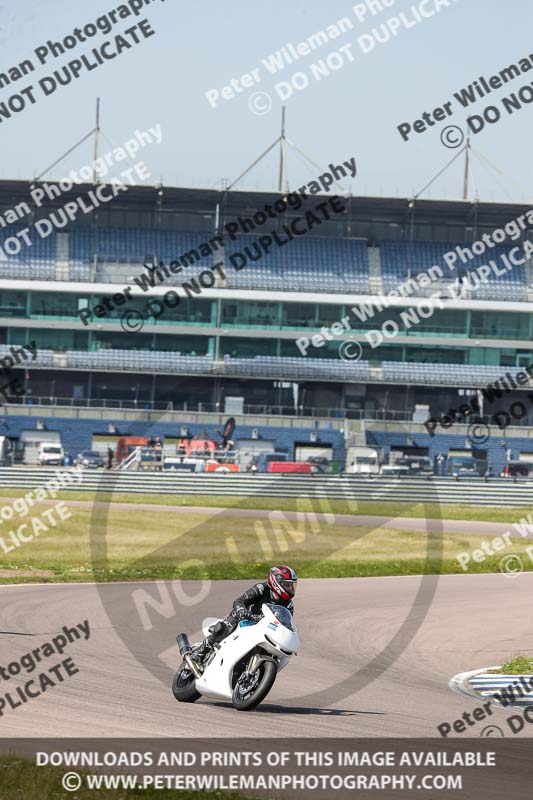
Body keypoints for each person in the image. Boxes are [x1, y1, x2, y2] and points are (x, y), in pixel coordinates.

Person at [192, 566, 297, 663]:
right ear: (276, 583)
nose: (291, 588)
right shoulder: (261, 588)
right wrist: (243, 611)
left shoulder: (289, 605)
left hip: (264, 628)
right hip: (245, 619)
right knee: (223, 628)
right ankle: (200, 653)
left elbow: (286, 623)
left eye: (292, 585)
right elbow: (239, 601)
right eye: (288, 585)